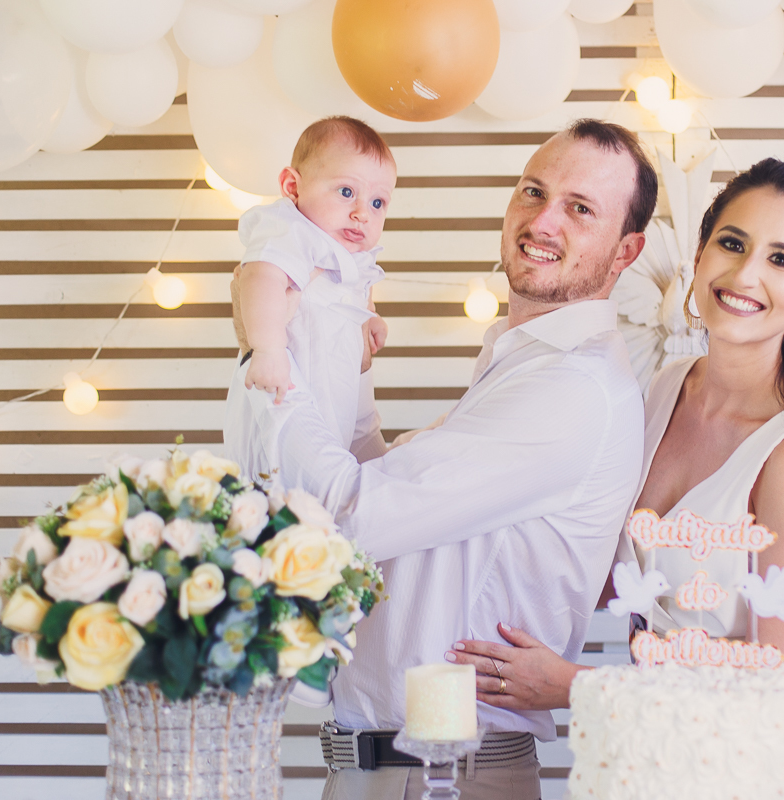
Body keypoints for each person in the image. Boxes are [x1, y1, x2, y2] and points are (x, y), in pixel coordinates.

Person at [237, 119, 659, 800]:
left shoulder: (571, 389)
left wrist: (270, 364)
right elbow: (385, 497)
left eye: (580, 209)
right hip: (385, 769)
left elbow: (347, 517)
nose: (542, 220)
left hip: (441, 779)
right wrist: (342, 358)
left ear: (626, 250)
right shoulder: (520, 363)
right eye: (533, 191)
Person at [448, 158, 784, 798]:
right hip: (652, 758)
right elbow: (610, 571)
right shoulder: (663, 388)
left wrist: (571, 685)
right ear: (700, 257)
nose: (744, 274)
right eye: (732, 244)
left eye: (782, 260)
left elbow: (781, 685)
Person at [225, 116, 395, 480]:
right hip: (284, 377)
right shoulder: (290, 230)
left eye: (378, 202)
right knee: (281, 472)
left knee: (335, 453)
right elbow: (259, 278)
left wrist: (371, 316)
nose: (363, 213)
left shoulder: (348, 247)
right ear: (292, 186)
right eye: (347, 191)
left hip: (338, 387)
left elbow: (360, 280)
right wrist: (267, 350)